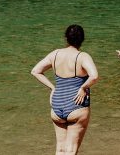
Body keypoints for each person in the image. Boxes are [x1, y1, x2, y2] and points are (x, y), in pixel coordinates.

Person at [30, 24, 100, 155]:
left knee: (60, 149)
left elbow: (35, 71)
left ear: (66, 38)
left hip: (57, 105)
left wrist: (52, 88)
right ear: (82, 39)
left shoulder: (55, 54)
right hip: (76, 106)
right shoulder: (82, 56)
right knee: (71, 150)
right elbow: (94, 76)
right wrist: (83, 87)